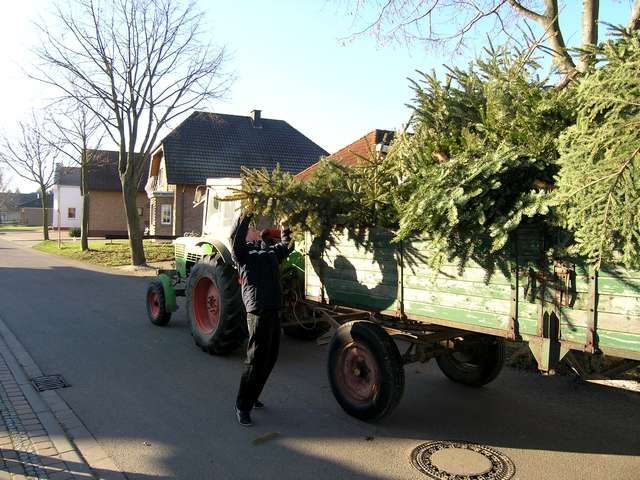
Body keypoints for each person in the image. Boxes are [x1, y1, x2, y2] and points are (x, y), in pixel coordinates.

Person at [231, 213, 292, 426]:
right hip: (257, 312)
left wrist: (285, 227)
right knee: (255, 360)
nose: (254, 232)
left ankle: (253, 394)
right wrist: (246, 215)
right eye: (250, 230)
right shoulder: (242, 254)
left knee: (271, 357)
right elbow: (236, 240)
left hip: (274, 309)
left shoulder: (270, 252)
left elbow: (287, 245)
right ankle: (242, 405)